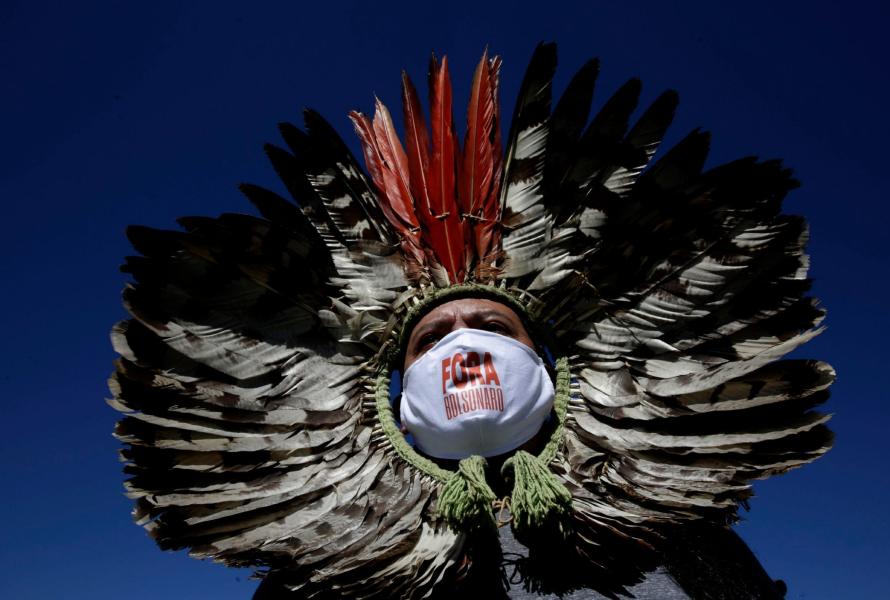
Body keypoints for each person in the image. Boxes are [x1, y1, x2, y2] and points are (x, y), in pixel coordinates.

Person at [113, 43, 833, 599]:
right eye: (430, 337)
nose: (463, 345)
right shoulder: (322, 584)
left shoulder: (694, 553)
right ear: (393, 388)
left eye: (493, 324)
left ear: (549, 361)